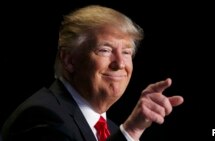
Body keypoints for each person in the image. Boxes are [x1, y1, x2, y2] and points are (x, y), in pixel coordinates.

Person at [1, 5, 184, 141]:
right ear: (69, 59)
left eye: (127, 52)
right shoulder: (41, 116)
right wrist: (131, 132)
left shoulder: (110, 130)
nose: (120, 63)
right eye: (105, 50)